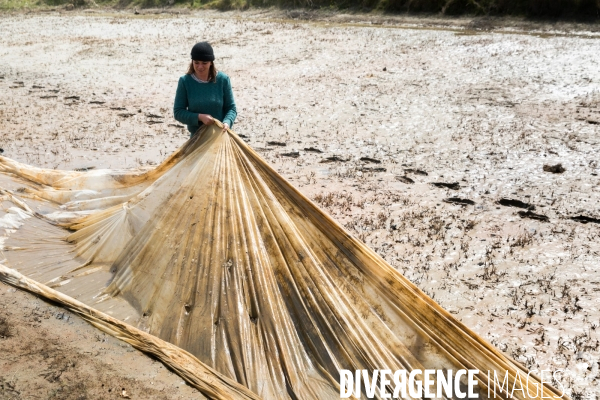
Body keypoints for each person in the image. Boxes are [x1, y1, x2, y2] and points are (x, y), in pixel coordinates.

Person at [173, 42, 237, 136]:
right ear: (192, 62)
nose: (200, 66)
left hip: (220, 135)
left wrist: (227, 122)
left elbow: (231, 108)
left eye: (204, 63)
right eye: (196, 62)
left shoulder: (223, 80)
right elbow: (178, 112)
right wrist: (199, 117)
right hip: (197, 137)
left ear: (211, 63)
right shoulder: (185, 81)